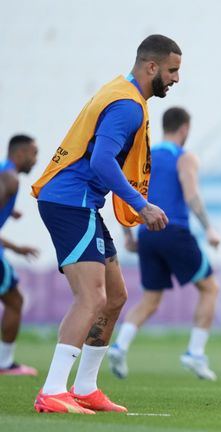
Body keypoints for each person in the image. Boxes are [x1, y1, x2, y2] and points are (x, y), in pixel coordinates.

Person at [31, 34, 180, 414]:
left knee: (114, 297)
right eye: (172, 70)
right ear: (152, 67)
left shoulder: (121, 90)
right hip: (70, 200)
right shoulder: (128, 106)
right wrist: (142, 206)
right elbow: (100, 161)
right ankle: (51, 391)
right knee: (92, 297)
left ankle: (85, 388)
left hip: (80, 201)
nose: (176, 79)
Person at [107, 107, 220, 381]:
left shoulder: (145, 157)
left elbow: (125, 193)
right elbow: (191, 194)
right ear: (184, 129)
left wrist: (128, 235)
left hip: (147, 234)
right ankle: (195, 353)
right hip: (174, 230)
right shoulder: (185, 157)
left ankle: (120, 346)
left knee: (150, 299)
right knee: (210, 289)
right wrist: (209, 229)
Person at [0, 134, 40, 376]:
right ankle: (4, 364)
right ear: (22, 153)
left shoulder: (6, 175)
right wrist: (16, 249)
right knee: (15, 300)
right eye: (34, 154)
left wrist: (9, 210)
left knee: (14, 300)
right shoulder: (10, 178)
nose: (35, 161)